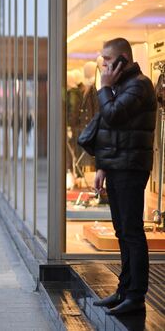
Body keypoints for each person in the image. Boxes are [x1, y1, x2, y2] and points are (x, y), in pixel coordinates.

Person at [92, 38, 156, 315]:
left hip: (131, 168)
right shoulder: (121, 86)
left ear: (122, 60)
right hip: (118, 166)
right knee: (122, 231)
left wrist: (104, 88)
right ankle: (124, 289)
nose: (103, 65)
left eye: (108, 60)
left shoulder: (140, 85)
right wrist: (103, 167)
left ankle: (136, 295)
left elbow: (113, 115)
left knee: (132, 232)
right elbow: (112, 131)